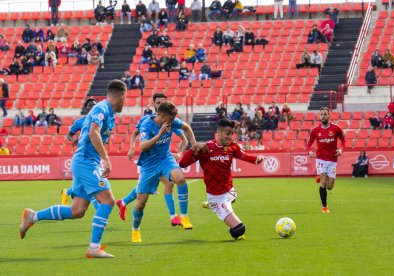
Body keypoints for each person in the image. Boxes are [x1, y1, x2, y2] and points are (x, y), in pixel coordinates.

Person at [19, 80, 127, 259]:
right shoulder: (102, 108)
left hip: (86, 162)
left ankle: (33, 216)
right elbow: (93, 132)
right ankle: (94, 248)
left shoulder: (109, 113)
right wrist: (106, 159)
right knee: (107, 201)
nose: (125, 102)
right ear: (121, 96)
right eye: (125, 98)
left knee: (77, 210)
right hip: (87, 163)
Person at [179, 118, 265, 240]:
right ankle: (214, 205)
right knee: (239, 230)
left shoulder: (232, 147)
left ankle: (218, 207)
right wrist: (193, 148)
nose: (230, 137)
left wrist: (256, 159)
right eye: (228, 133)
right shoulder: (206, 148)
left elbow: (243, 155)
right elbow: (182, 164)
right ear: (218, 133)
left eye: (232, 134)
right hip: (216, 197)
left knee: (233, 197)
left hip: (230, 191)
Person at [126, 100, 196, 242]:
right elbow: (143, 146)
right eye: (170, 118)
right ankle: (135, 230)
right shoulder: (147, 124)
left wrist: (194, 146)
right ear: (162, 116)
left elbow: (187, 128)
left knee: (180, 179)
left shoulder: (171, 122)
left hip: (165, 159)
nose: (173, 121)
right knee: (140, 204)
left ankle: (184, 216)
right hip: (149, 165)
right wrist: (159, 134)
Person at [306, 107, 345, 213]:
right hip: (320, 159)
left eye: (325, 114)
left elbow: (343, 140)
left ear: (329, 115)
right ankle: (324, 207)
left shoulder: (336, 128)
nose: (323, 116)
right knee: (323, 182)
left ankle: (320, 175)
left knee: (330, 187)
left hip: (332, 159)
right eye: (321, 114)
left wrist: (341, 149)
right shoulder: (315, 130)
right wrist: (309, 151)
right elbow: (309, 143)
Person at [63, 98, 100, 210]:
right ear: (86, 108)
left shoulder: (99, 121)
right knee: (93, 185)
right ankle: (101, 215)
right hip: (83, 157)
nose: (92, 107)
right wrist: (73, 139)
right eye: (90, 105)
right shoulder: (80, 122)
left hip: (95, 156)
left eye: (94, 105)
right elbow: (69, 135)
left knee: (82, 184)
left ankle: (67, 192)